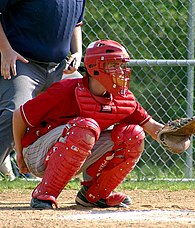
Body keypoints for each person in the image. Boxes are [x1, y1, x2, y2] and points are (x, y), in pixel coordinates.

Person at [13, 40, 164, 209]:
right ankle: (44, 194)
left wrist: (174, 137)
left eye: (122, 65)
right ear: (95, 67)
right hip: (37, 152)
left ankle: (94, 195)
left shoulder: (123, 99)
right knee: (85, 127)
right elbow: (20, 116)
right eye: (114, 64)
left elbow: (152, 127)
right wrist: (20, 154)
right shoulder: (67, 89)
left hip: (77, 148)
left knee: (133, 134)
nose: (121, 71)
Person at [0, 0, 86, 167]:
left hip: (61, 68)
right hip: (23, 63)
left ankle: (93, 187)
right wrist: (5, 50)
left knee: (92, 104)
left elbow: (76, 23)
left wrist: (77, 52)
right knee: (14, 113)